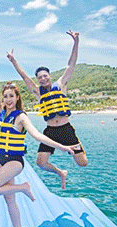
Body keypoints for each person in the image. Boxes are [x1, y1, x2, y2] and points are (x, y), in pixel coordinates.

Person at [0, 59, 78, 227]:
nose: (8, 99)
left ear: (17, 97)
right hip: (1, 158)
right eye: (5, 96)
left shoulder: (21, 117)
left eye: (11, 96)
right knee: (9, 199)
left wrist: (62, 146)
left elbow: (37, 135)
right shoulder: (0, 112)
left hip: (14, 162)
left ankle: (23, 187)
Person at [6, 30, 87, 190]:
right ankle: (61, 172)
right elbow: (24, 76)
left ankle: (77, 145)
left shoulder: (61, 84)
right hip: (50, 131)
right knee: (41, 163)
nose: (43, 79)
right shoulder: (37, 92)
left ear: (49, 76)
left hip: (66, 130)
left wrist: (76, 42)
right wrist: (13, 61)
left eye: (45, 76)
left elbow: (71, 64)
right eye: (40, 77)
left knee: (82, 163)